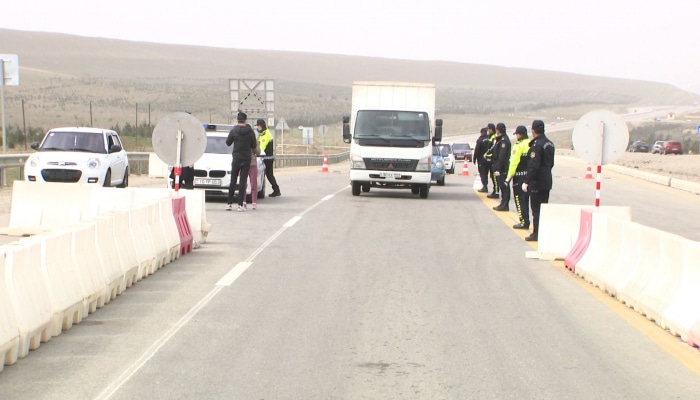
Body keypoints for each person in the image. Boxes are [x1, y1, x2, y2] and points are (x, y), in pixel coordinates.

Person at [523, 119, 555, 241]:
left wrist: (527, 181)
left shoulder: (537, 145)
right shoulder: (550, 144)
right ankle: (542, 232)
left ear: (533, 131)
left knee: (536, 209)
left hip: (537, 181)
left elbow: (534, 165)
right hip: (547, 179)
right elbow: (551, 163)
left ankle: (537, 233)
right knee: (544, 208)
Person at [225, 112, 258, 211]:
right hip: (246, 159)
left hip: (236, 158)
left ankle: (229, 203)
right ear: (245, 120)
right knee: (243, 181)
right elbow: (254, 145)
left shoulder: (233, 130)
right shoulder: (250, 131)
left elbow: (228, 143)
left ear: (237, 120)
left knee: (233, 181)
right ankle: (240, 205)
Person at [506, 126, 532, 229]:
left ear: (519, 134)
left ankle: (523, 221)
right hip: (529, 176)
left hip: (519, 176)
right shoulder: (530, 144)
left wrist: (509, 177)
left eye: (516, 134)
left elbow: (514, 162)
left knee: (519, 200)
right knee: (526, 199)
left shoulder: (518, 146)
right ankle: (527, 220)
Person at [256, 119, 281, 197]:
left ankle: (276, 190)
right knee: (268, 175)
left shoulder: (266, 134)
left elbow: (261, 147)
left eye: (258, 126)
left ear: (261, 126)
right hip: (265, 158)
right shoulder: (263, 134)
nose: (257, 127)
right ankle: (276, 190)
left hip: (267, 158)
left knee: (269, 175)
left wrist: (256, 152)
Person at [491, 122, 511, 211]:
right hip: (499, 166)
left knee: (504, 186)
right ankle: (503, 202)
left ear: (498, 130)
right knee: (502, 186)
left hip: (502, 168)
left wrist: (498, 168)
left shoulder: (504, 141)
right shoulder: (500, 139)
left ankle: (505, 204)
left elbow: (502, 156)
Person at [472, 127, 490, 193]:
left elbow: (477, 150)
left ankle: (485, 186)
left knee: (482, 173)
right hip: (489, 160)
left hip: (481, 160)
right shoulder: (489, 139)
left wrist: (474, 158)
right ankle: (485, 186)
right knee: (486, 173)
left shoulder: (480, 140)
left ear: (481, 133)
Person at [484, 123, 499, 199]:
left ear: (491, 129)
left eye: (488, 129)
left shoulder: (494, 137)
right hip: (490, 159)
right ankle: (495, 190)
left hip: (493, 159)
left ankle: (496, 192)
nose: (488, 131)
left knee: (494, 176)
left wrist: (487, 154)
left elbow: (493, 148)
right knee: (492, 176)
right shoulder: (490, 136)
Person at [244, 144, 261, 210]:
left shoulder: (253, 140)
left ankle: (254, 202)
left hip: (252, 163)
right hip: (243, 163)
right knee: (243, 184)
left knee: (254, 184)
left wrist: (253, 146)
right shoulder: (241, 139)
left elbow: (258, 151)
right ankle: (243, 201)